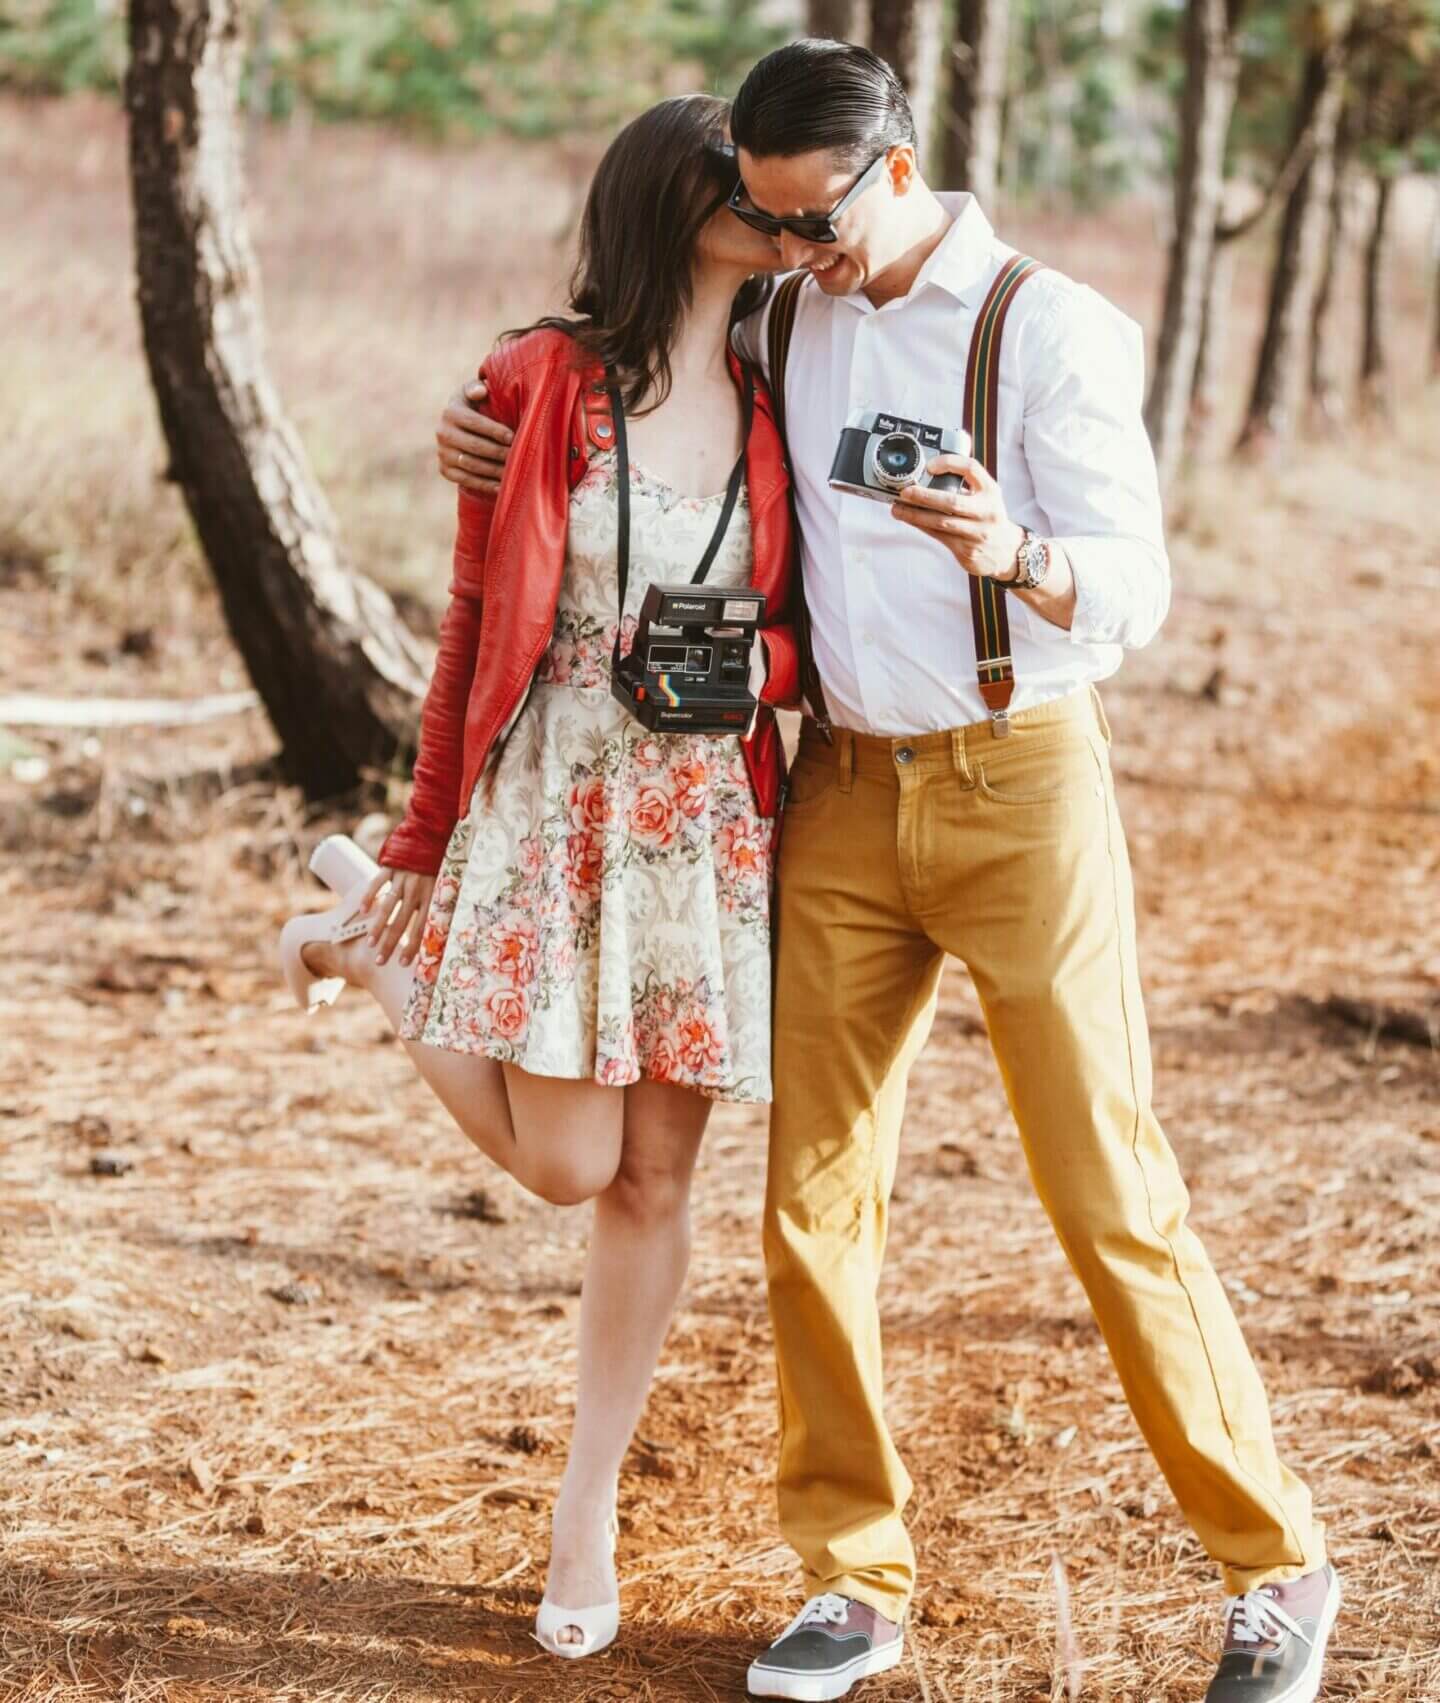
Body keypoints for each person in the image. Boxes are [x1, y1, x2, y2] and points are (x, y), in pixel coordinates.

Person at [435, 38, 1339, 1703]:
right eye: (772, 227)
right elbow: (638, 376)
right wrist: (484, 435)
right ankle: (852, 1575)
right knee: (811, 1210)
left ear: (895, 168)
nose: (797, 255)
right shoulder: (789, 313)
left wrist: (1024, 554)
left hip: (1022, 785)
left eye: (815, 222)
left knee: (1109, 1197)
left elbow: (1139, 588)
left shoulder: (1051, 327)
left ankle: (1274, 1566)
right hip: (837, 794)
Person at [278, 92, 798, 1663]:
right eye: (745, 185)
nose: (779, 208)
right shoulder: (543, 378)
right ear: (675, 197)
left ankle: (588, 1508)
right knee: (571, 1166)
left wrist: (751, 669)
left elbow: (812, 620)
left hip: (704, 820)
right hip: (557, 798)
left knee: (656, 1182)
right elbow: (466, 623)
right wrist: (425, 841)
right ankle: (376, 947)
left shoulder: (791, 383)